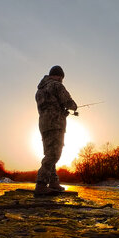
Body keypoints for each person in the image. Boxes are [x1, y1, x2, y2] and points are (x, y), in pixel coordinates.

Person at [35, 65, 78, 194]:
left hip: (44, 124)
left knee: (49, 153)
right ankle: (41, 184)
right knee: (54, 154)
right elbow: (68, 102)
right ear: (59, 76)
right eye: (61, 78)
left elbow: (49, 107)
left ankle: (53, 182)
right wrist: (73, 107)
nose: (61, 80)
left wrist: (62, 112)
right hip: (56, 124)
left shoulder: (39, 90)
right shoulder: (56, 85)